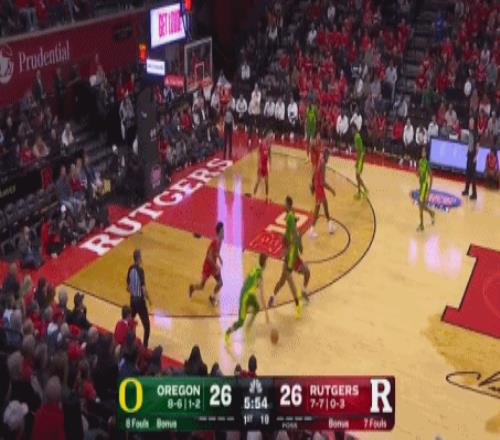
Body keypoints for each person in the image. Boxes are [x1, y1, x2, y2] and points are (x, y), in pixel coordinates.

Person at [268, 196, 309, 318]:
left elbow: (297, 241)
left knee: (307, 272)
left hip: (295, 259)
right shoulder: (289, 233)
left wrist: (299, 246)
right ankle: (273, 297)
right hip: (289, 259)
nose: (284, 206)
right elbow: (287, 243)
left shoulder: (293, 228)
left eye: (285, 204)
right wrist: (287, 251)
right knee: (283, 281)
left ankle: (303, 292)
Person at [224, 253, 269, 346]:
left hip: (247, 294)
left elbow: (246, 280)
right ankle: (227, 333)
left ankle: (248, 325)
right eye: (266, 262)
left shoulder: (255, 268)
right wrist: (266, 314)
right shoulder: (260, 276)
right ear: (265, 263)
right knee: (241, 322)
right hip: (246, 297)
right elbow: (262, 296)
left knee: (256, 308)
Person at [189, 222, 224, 306]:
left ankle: (212, 297)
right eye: (222, 231)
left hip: (213, 266)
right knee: (201, 286)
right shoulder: (215, 242)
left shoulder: (220, 241)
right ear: (219, 232)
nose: (224, 232)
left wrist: (219, 257)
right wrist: (216, 266)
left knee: (220, 283)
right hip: (208, 266)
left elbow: (216, 252)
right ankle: (192, 287)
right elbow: (209, 257)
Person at [308, 147, 336, 238]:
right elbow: (323, 182)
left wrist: (312, 185)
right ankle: (311, 230)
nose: (329, 158)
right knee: (317, 209)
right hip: (319, 187)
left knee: (325, 206)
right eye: (328, 156)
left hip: (317, 186)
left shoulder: (320, 160)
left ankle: (330, 226)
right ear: (326, 155)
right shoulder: (323, 163)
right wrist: (331, 190)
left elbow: (314, 172)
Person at [127, 249, 151, 348]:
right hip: (140, 301)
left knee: (130, 323)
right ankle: (144, 347)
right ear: (139, 258)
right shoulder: (140, 270)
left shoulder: (130, 268)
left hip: (132, 300)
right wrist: (149, 299)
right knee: (147, 326)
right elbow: (143, 288)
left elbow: (128, 287)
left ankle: (129, 341)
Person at [416, 147, 436, 231]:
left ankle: (421, 225)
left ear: (426, 154)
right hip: (421, 185)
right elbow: (417, 175)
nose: (423, 153)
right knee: (422, 207)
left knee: (420, 207)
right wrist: (418, 172)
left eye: (424, 152)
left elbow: (431, 177)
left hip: (424, 186)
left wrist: (429, 191)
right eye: (422, 152)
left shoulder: (427, 164)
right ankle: (432, 213)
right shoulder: (420, 162)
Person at [253, 131, 272, 201]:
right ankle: (254, 195)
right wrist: (259, 164)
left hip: (265, 167)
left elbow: (269, 155)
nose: (270, 138)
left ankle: (266, 197)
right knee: (258, 182)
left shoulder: (269, 145)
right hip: (261, 166)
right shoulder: (262, 143)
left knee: (267, 182)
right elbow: (258, 153)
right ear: (267, 136)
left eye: (271, 138)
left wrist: (270, 164)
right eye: (270, 137)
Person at [462, 121, 478, 200]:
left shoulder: (475, 133)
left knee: (473, 176)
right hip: (469, 155)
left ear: (473, 124)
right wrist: (467, 151)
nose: (470, 123)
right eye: (469, 122)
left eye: (471, 122)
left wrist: (476, 156)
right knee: (467, 173)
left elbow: (478, 145)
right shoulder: (470, 132)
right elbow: (469, 143)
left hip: (473, 156)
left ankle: (474, 194)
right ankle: (466, 190)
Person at [353, 127, 368, 199]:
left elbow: (359, 150)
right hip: (360, 157)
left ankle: (364, 190)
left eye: (353, 130)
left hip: (360, 158)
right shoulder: (357, 136)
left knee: (357, 176)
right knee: (357, 177)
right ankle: (360, 192)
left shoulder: (357, 137)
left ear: (355, 129)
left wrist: (357, 161)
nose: (352, 131)